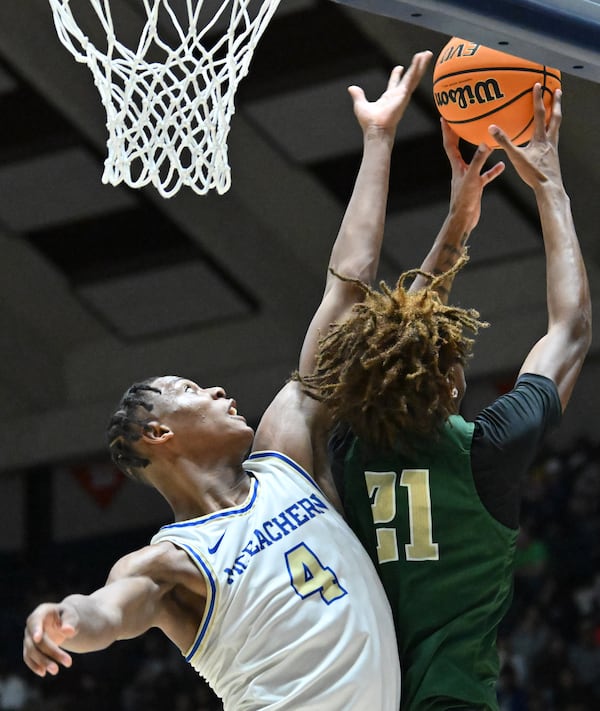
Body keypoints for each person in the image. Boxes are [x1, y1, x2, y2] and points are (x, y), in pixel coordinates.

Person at [21, 51, 441, 711]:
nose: (219, 392)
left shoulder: (286, 449)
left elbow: (347, 290)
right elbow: (108, 608)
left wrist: (379, 141)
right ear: (159, 432)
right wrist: (64, 616)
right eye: (193, 390)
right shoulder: (168, 563)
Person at [300, 84, 592, 710]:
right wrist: (550, 186)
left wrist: (454, 230)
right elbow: (569, 329)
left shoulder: (343, 447)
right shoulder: (488, 452)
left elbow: (382, 340)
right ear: (452, 380)